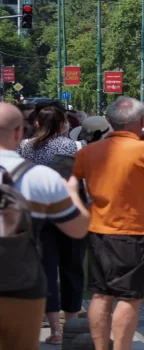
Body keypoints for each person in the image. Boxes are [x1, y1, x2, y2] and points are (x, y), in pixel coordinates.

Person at [73, 97, 144, 350]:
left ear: (110, 122)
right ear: (142, 122)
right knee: (129, 297)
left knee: (101, 295)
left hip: (98, 231)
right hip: (135, 233)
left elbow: (73, 180)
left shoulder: (89, 152)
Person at [0, 102, 89, 350]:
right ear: (64, 125)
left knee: (47, 269)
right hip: (63, 209)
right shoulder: (72, 145)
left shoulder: (26, 147)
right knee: (72, 268)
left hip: (35, 219)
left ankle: (55, 330)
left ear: (35, 124)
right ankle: (71, 325)